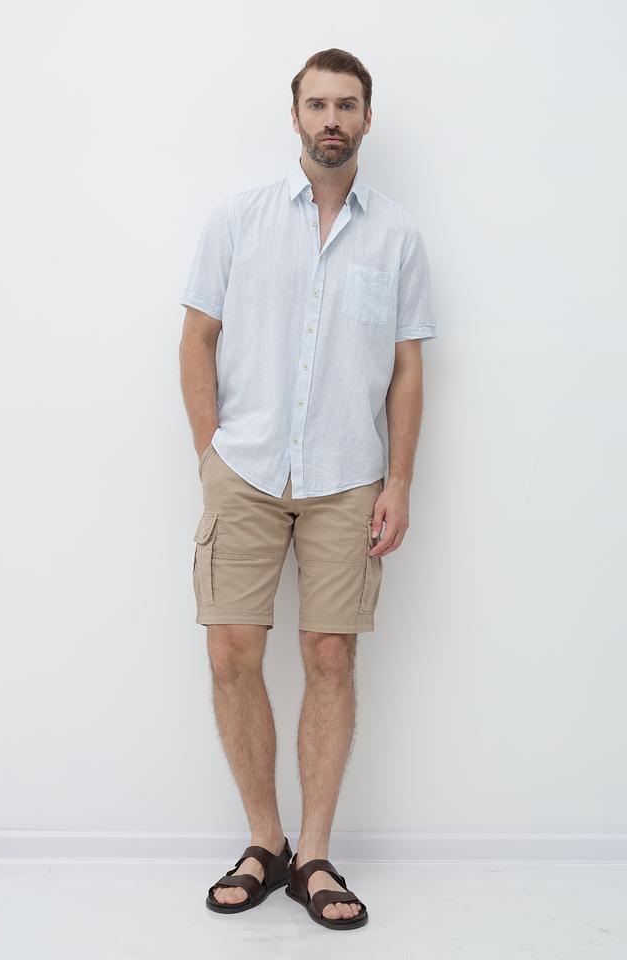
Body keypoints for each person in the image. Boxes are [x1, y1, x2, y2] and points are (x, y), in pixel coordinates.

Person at [178, 47, 438, 931]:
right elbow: (197, 337)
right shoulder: (238, 219)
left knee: (331, 656)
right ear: (295, 116)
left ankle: (315, 855)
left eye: (347, 105)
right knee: (231, 651)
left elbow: (407, 368)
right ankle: (265, 841)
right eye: (318, 104)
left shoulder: (396, 235)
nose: (332, 119)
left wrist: (399, 479)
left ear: (367, 119)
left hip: (346, 474)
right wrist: (210, 454)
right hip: (246, 470)